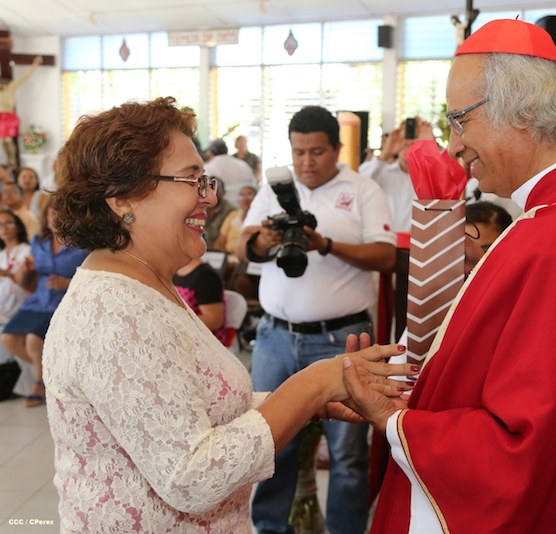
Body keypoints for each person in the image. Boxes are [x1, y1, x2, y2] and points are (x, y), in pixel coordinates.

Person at [342, 19, 556, 533]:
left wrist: (391, 418)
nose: (454, 146)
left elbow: (519, 447)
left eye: (460, 121)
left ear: (522, 110)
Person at [41, 97, 414, 533]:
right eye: (192, 180)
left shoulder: (144, 284)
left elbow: (188, 408)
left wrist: (313, 403)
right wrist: (314, 383)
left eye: (207, 180)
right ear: (123, 197)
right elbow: (191, 477)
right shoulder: (113, 311)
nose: (211, 197)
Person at [237, 105, 396, 534]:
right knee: (270, 443)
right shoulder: (274, 189)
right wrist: (265, 239)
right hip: (275, 337)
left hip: (342, 337)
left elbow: (386, 256)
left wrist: (324, 244)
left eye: (317, 152)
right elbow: (243, 247)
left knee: (347, 454)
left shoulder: (362, 189)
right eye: (299, 152)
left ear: (337, 148)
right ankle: (270, 529)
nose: (306, 162)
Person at [2, 200, 87, 408]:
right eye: (51, 214)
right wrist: (25, 271)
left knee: (33, 340)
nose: (55, 219)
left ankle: (40, 384)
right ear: (45, 218)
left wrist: (66, 283)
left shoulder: (82, 244)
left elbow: (93, 277)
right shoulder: (39, 242)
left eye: (60, 214)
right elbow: (26, 281)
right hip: (38, 300)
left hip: (64, 302)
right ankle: (54, 376)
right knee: (8, 338)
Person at [0, 210, 32, 364]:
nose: (4, 228)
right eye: (0, 225)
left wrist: (7, 274)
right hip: (4, 306)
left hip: (22, 305)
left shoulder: (27, 251)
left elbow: (31, 284)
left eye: (8, 223)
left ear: (18, 227)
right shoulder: (1, 255)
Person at [173, 255, 227, 344]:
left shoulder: (205, 276)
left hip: (203, 341)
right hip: (183, 334)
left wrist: (176, 322)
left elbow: (214, 320)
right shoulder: (176, 271)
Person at [204, 138, 257, 207]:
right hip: (245, 207)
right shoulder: (242, 164)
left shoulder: (208, 167)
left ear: (211, 152)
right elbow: (253, 184)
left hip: (221, 209)